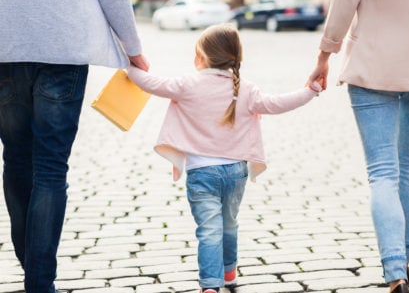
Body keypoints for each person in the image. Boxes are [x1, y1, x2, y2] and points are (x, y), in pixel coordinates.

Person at [128, 23, 322, 293]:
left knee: (209, 230)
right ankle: (229, 273)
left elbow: (151, 83)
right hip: (235, 173)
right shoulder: (245, 89)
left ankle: (210, 285)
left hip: (202, 174)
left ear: (202, 57)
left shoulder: (187, 84)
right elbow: (277, 103)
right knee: (229, 224)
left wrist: (129, 66)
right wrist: (310, 92)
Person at [0, 0, 148, 292]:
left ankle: (30, 262)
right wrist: (133, 49)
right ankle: (39, 280)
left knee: (16, 157)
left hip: (6, 44)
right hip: (64, 44)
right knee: (50, 166)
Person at [307, 0, 409, 293]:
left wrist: (324, 56)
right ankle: (403, 260)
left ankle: (395, 273)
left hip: (373, 62)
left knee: (383, 172)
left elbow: (342, 5)